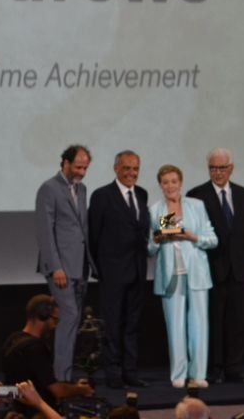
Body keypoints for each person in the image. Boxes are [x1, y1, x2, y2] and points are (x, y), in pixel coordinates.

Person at [187, 147, 244, 383]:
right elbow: (174, 221)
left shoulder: (243, 194)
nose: (217, 173)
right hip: (211, 269)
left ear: (231, 169)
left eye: (221, 168)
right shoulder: (196, 194)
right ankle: (214, 368)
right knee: (214, 321)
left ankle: (234, 368)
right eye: (213, 168)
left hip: (240, 268)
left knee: (237, 321)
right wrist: (161, 231)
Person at [148, 164, 216, 388]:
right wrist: (156, 240)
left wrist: (191, 236)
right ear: (160, 185)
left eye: (173, 181)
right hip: (170, 272)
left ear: (180, 183)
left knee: (199, 323)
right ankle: (178, 374)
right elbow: (150, 248)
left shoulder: (196, 206)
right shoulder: (156, 210)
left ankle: (199, 374)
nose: (170, 186)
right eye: (165, 182)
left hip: (196, 271)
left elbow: (212, 239)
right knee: (175, 326)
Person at [88, 150, 150, 388]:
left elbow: (151, 226)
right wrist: (98, 268)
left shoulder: (143, 194)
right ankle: (113, 375)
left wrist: (173, 226)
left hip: (137, 270)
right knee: (112, 325)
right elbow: (93, 234)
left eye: (135, 169)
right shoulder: (102, 195)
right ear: (116, 168)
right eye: (126, 168)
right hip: (112, 273)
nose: (131, 173)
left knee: (132, 324)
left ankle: (130, 372)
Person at [34, 145, 94, 381]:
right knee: (69, 316)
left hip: (80, 266)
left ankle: (64, 374)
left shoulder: (82, 189)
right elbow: (45, 231)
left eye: (85, 168)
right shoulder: (49, 189)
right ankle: (61, 379)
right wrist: (56, 266)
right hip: (60, 268)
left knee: (73, 320)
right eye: (78, 167)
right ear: (65, 163)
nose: (81, 172)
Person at [1, 295, 95, 418]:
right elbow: (58, 392)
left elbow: (6, 390)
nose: (55, 325)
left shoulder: (12, 340)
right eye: (55, 320)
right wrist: (82, 389)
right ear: (43, 316)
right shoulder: (36, 348)